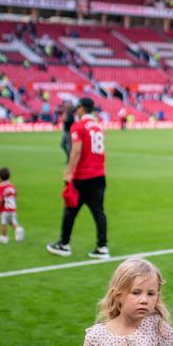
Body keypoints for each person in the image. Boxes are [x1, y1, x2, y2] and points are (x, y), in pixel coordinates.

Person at [47, 97, 109, 259]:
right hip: (99, 175)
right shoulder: (98, 126)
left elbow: (76, 150)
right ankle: (102, 246)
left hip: (83, 176)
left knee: (70, 210)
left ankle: (64, 243)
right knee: (99, 213)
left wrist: (69, 171)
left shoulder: (79, 126)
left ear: (81, 109)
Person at [0, 167, 24, 244]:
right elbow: (16, 193)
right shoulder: (11, 185)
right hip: (12, 208)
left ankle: (4, 237)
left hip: (4, 209)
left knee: (3, 223)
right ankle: (18, 229)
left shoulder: (1, 187)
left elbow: (0, 199)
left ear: (0, 178)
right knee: (12, 222)